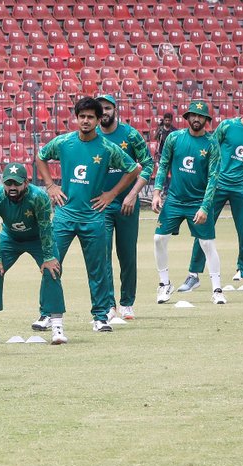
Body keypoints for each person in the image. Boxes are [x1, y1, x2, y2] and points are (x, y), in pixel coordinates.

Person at [34, 96, 141, 333]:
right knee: (52, 264)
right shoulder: (63, 142)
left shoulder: (106, 148)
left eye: (90, 117)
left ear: (97, 119)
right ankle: (46, 314)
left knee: (98, 269)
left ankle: (100, 317)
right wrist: (51, 185)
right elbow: (41, 156)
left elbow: (134, 169)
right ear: (76, 118)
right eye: (81, 116)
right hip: (64, 215)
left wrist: (112, 194)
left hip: (93, 217)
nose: (85, 121)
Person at [179, 97, 243, 292]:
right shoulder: (227, 126)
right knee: (203, 230)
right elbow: (210, 148)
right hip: (217, 185)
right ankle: (193, 275)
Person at [0, 163, 67, 345]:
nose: (12, 188)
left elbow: (45, 227)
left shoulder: (38, 197)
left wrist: (49, 257)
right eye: (8, 183)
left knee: (53, 271)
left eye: (16, 184)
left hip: (38, 239)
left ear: (25, 183)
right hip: (10, 239)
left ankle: (57, 328)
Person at [151, 100, 226, 305]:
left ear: (206, 120)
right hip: (174, 199)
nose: (196, 119)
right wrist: (157, 192)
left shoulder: (212, 144)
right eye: (193, 115)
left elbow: (213, 177)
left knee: (207, 244)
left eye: (201, 116)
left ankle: (217, 289)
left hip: (198, 201)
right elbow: (163, 164)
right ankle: (164, 284)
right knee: (159, 239)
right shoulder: (174, 138)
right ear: (187, 117)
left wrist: (204, 206)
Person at [95, 95, 155, 320]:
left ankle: (127, 302)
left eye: (108, 108)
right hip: (101, 205)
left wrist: (132, 194)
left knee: (127, 254)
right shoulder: (92, 135)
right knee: (103, 254)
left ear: (115, 110)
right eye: (101, 108)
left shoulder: (130, 135)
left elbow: (148, 164)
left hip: (127, 204)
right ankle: (109, 305)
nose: (104, 112)